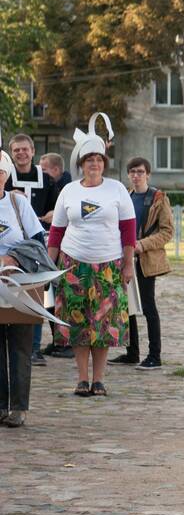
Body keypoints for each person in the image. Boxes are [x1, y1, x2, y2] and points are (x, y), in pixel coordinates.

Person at [47, 114, 135, 398]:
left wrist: (128, 264)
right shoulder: (69, 191)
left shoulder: (117, 189)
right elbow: (57, 232)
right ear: (81, 164)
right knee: (78, 323)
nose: (94, 164)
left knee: (103, 325)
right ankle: (82, 379)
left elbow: (128, 231)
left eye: (98, 159)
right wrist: (50, 266)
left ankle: (99, 379)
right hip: (73, 264)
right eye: (89, 160)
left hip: (108, 265)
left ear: (103, 163)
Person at [108, 157, 173, 370]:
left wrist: (142, 245)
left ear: (148, 174)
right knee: (127, 307)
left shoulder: (158, 198)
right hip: (123, 257)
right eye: (132, 172)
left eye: (140, 172)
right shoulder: (124, 196)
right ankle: (132, 352)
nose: (136, 175)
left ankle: (155, 355)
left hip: (145, 260)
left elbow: (167, 231)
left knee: (148, 307)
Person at [0, 149, 47, 428]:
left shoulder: (18, 204)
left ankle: (18, 407)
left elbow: (38, 243)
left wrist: (12, 258)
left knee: (19, 347)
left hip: (19, 285)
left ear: (5, 177)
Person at [6, 134, 59, 367]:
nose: (21, 153)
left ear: (33, 150)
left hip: (39, 242)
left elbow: (59, 207)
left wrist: (52, 214)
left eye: (24, 149)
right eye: (16, 150)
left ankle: (35, 348)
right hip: (11, 247)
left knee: (38, 296)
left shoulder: (47, 180)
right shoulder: (5, 176)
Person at [37, 152, 73, 360]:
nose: (41, 174)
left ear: (56, 170)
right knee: (47, 296)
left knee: (61, 298)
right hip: (49, 249)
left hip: (62, 252)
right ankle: (57, 339)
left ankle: (66, 341)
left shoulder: (65, 189)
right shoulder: (49, 186)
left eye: (44, 170)